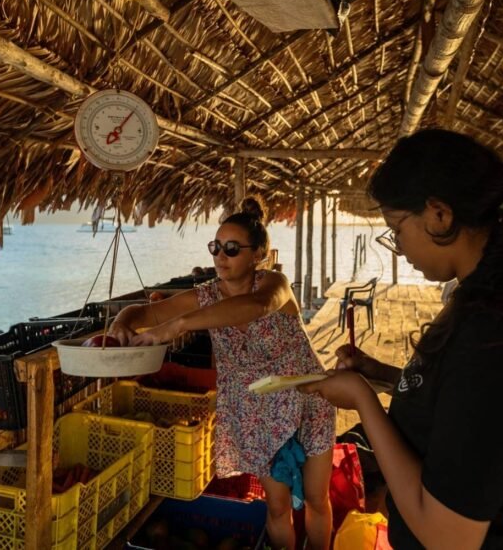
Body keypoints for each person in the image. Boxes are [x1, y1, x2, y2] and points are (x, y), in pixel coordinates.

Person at [301, 129, 503, 550]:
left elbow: (449, 538)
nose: (399, 247)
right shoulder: (491, 297)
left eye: (397, 230)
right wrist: (382, 375)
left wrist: (363, 399)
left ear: (438, 215)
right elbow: (461, 401)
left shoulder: (500, 340)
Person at [109, 197, 336, 550]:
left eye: (232, 249)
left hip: (309, 399)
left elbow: (256, 307)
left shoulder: (274, 285)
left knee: (316, 498)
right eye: (216, 247)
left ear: (257, 254)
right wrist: (122, 321)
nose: (220, 256)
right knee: (277, 507)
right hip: (260, 415)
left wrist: (179, 324)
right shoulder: (205, 297)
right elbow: (144, 313)